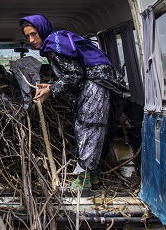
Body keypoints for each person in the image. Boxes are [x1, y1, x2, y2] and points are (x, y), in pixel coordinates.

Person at [19, 14, 125, 192]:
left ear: (42, 31)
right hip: (98, 81)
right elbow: (75, 73)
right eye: (27, 36)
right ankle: (92, 177)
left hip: (97, 83)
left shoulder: (53, 45)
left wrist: (50, 90)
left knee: (88, 127)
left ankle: (82, 182)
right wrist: (52, 86)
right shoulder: (55, 42)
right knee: (90, 128)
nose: (31, 39)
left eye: (34, 34)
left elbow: (74, 75)